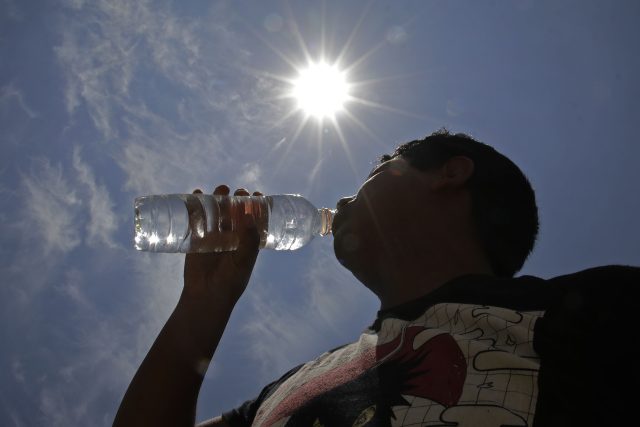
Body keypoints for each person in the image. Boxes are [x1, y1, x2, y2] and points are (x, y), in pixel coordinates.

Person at [114, 129, 639, 427]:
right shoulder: (292, 389)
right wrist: (203, 304)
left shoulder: (595, 311)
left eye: (383, 164)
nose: (345, 197)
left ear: (450, 174)